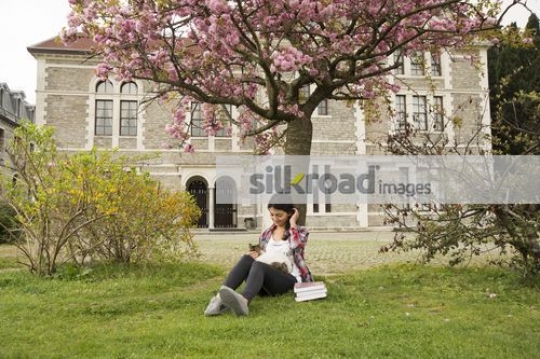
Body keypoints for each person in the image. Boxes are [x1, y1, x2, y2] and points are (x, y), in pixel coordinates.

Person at [204, 193, 313, 317]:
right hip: (266, 282)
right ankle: (219, 300)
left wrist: (293, 223)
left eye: (279, 215)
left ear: (289, 213)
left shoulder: (301, 231)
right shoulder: (266, 233)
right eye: (272, 214)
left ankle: (243, 302)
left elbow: (296, 246)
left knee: (259, 265)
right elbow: (265, 257)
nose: (275, 218)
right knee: (247, 259)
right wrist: (256, 254)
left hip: (288, 280)